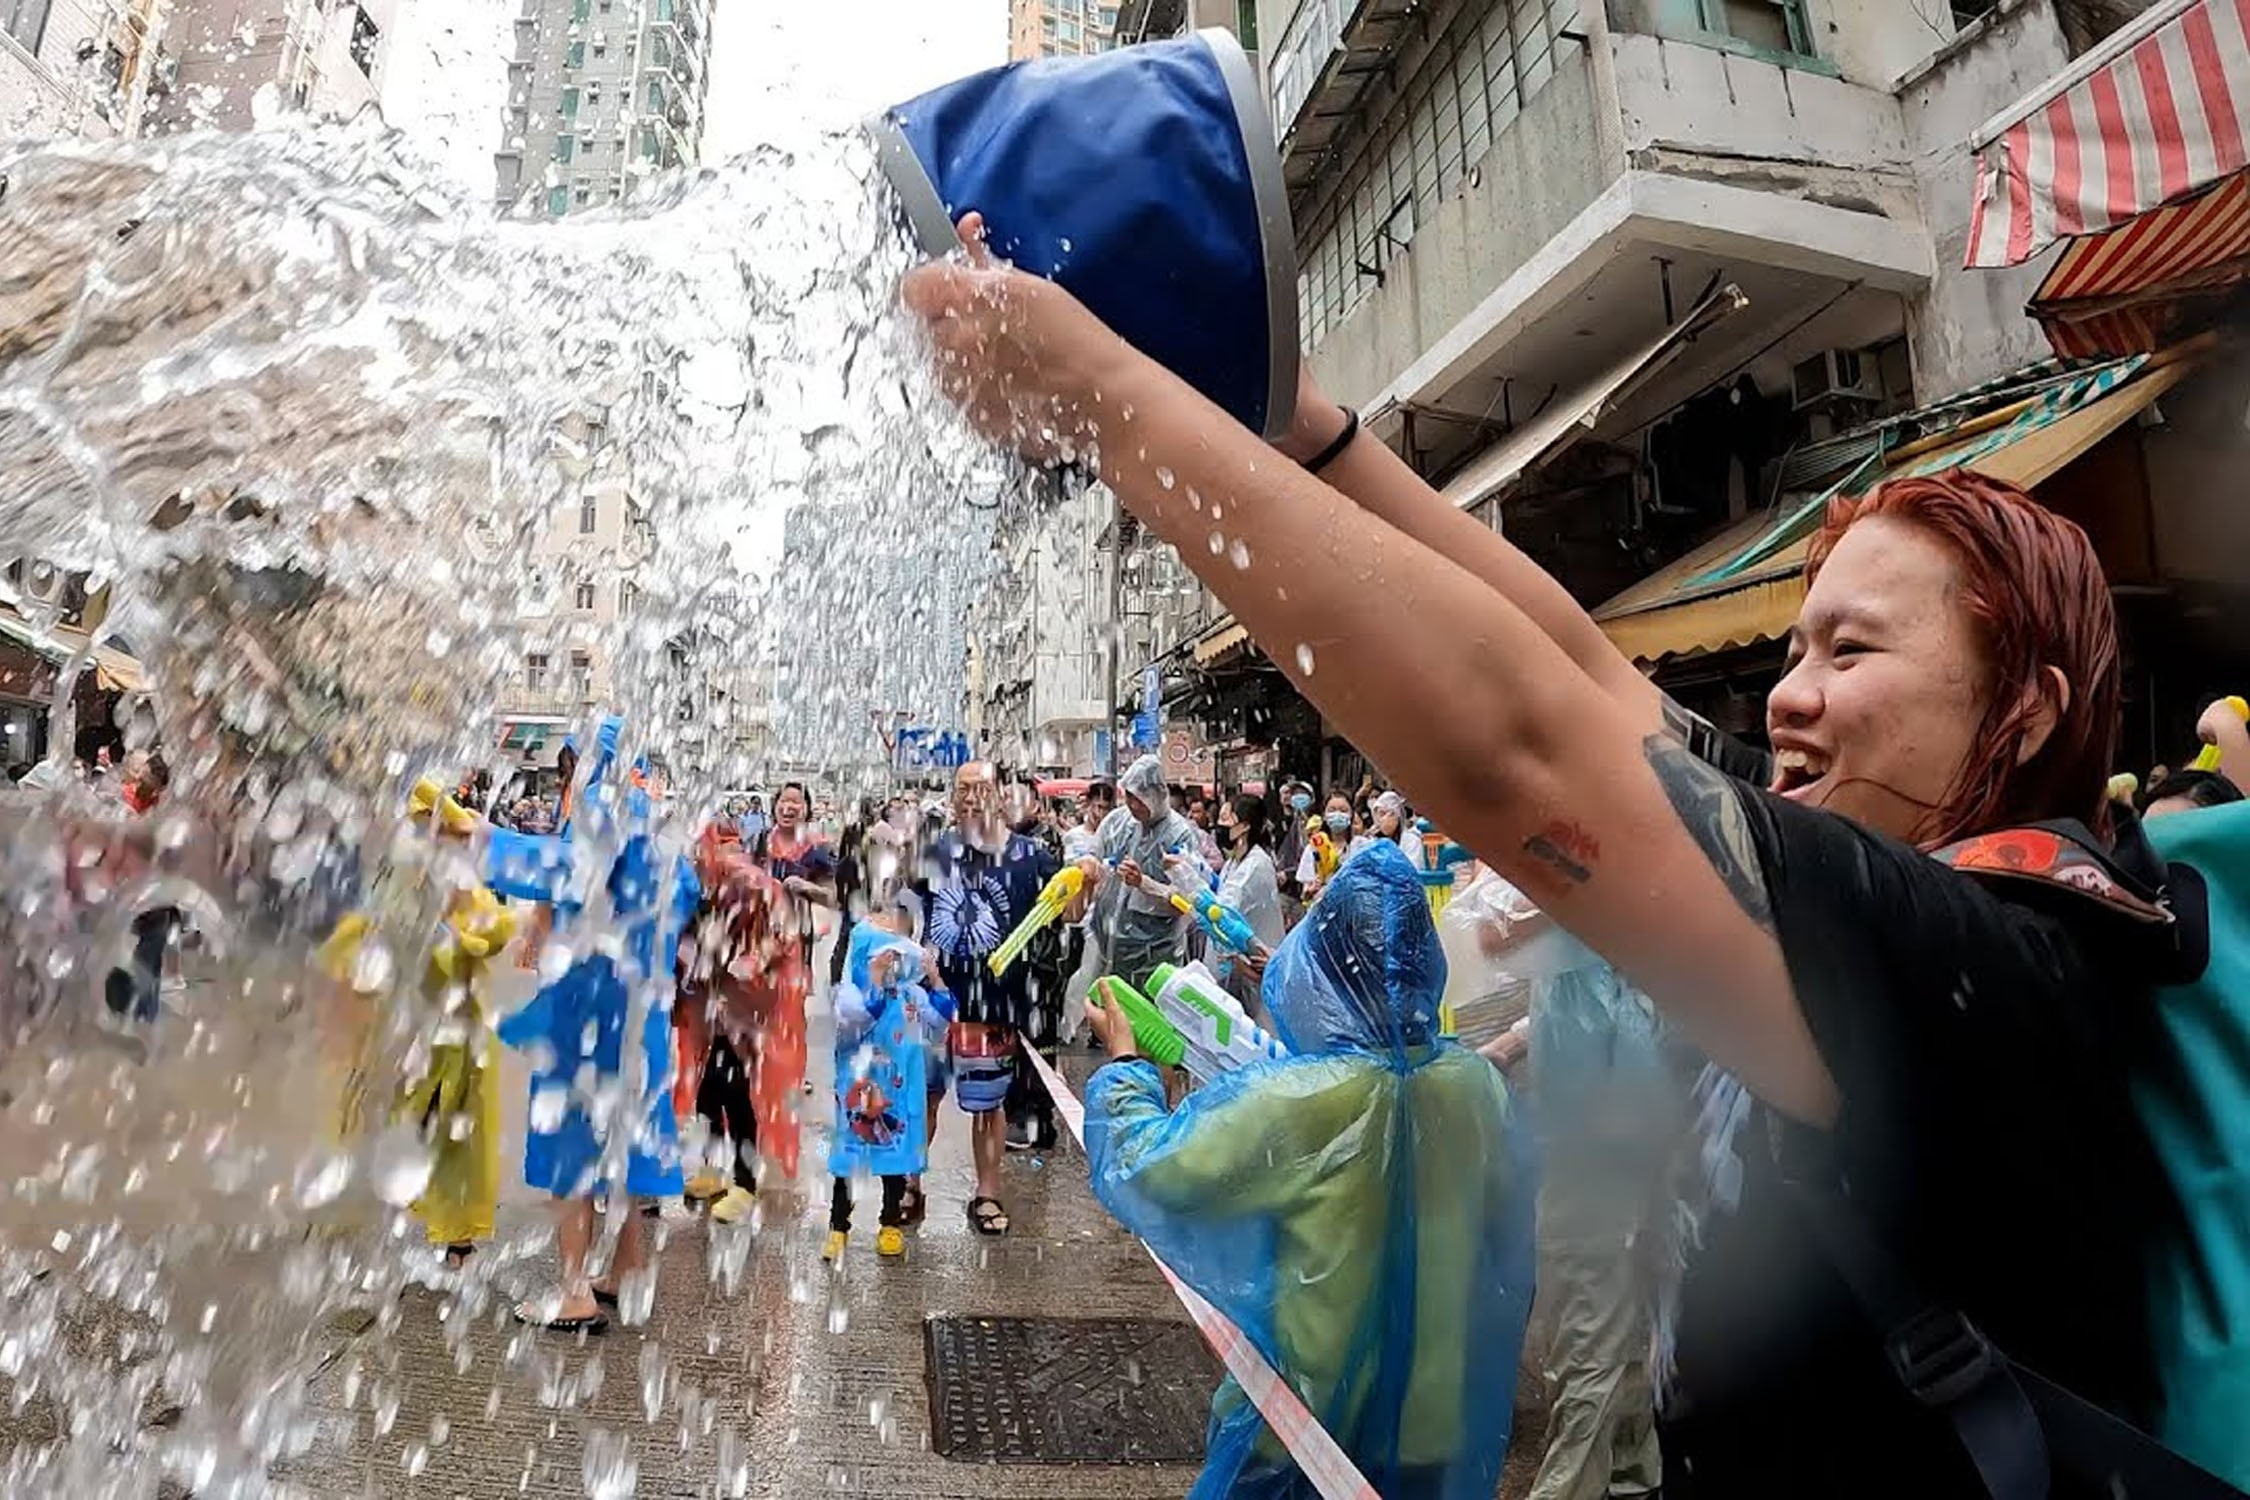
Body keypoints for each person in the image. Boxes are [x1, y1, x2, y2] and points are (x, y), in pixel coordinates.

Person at [910, 226, 2187, 1495]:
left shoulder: (1996, 964)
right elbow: (1581, 666)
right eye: (1796, 649)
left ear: (2026, 711)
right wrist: (1297, 422)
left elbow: (1522, 747)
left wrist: (1103, 397)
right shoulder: (1888, 869)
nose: (1788, 697)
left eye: (1851, 654)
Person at [1082, 843, 1538, 1499]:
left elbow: (1150, 1170)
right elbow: (1504, 1244)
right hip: (1431, 1430)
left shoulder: (1300, 1099)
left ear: (1321, 964)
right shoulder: (1475, 1090)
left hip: (1302, 1431)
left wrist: (1127, 1066)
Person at [913, 760, 1061, 1235]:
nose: (970, 797)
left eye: (980, 787)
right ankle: (909, 1185)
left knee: (988, 1104)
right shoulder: (935, 853)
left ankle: (988, 1192)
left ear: (1000, 795)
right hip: (936, 1002)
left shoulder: (1031, 857)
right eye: (962, 789)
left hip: (995, 1003)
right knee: (924, 1096)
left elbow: (1069, 910)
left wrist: (1089, 876)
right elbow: (903, 911)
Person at [677, 825, 805, 1217]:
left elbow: (783, 935)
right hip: (718, 1006)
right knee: (708, 1092)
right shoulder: (707, 888)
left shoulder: (751, 885)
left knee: (734, 1093)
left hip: (748, 1008)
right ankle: (713, 1169)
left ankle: (745, 1183)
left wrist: (756, 960)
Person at [827, 894, 953, 1261]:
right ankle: (838, 1226)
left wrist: (936, 980)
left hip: (898, 1094)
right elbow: (856, 1020)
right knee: (849, 1161)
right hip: (860, 1092)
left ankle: (890, 1222)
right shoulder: (849, 993)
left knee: (895, 1162)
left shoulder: (911, 995)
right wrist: (875, 981)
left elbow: (941, 1019)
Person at [1080, 756, 1199, 993]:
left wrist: (1143, 883)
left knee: (1143, 1011)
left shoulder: (1179, 834)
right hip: (1106, 945)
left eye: (1139, 799)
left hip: (1154, 954)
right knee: (1102, 1004)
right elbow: (1093, 851)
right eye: (1129, 796)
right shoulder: (1117, 821)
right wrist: (1089, 864)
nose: (1133, 805)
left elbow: (1188, 899)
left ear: (1156, 796)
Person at [1172, 791, 1284, 1015]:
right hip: (1236, 965)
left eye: (1226, 818)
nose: (1220, 825)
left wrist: (1182, 874)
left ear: (1244, 826)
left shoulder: (1256, 865)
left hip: (1254, 966)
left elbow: (1220, 911)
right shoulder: (1234, 862)